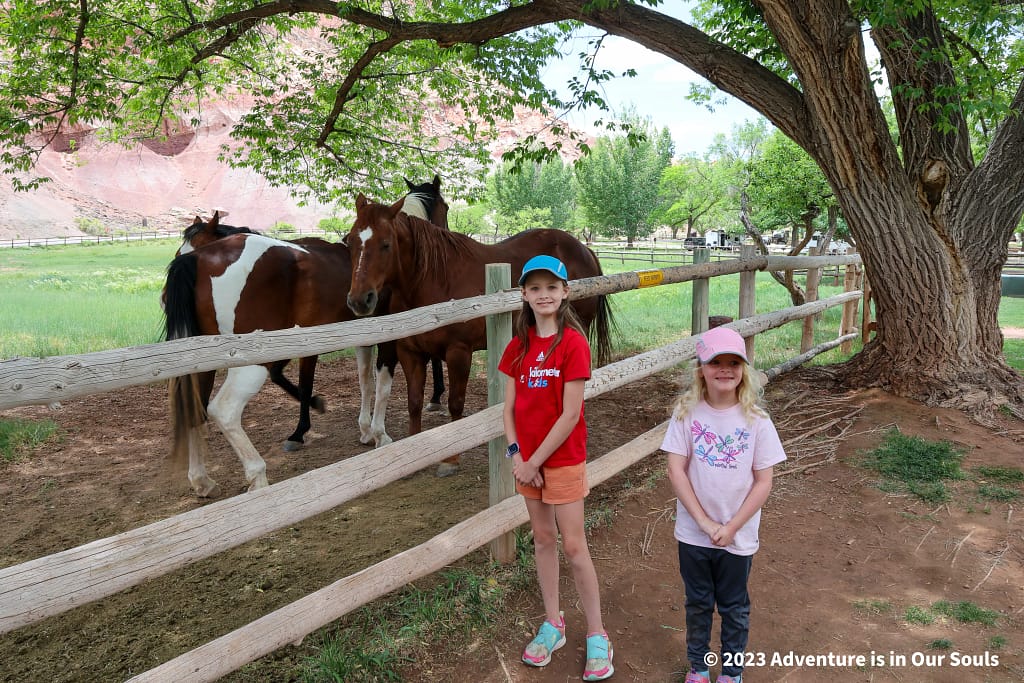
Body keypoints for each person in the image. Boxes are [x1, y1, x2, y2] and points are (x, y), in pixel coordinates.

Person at [498, 254, 614, 682]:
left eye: (551, 287)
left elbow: (569, 415)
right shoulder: (518, 347)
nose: (543, 295)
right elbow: (508, 409)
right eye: (534, 288)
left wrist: (534, 462)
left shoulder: (573, 345)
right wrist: (516, 456)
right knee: (543, 539)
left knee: (573, 546)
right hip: (526, 462)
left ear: (565, 292)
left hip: (560, 460)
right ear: (524, 296)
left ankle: (598, 633)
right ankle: (554, 623)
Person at [661, 326, 786, 683]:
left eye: (734, 362)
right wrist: (703, 523)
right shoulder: (686, 414)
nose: (725, 369)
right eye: (716, 362)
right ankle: (698, 667)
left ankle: (732, 672)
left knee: (734, 607)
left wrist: (730, 528)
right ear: (701, 368)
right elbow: (677, 471)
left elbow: (764, 481)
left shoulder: (757, 421)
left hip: (737, 535)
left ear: (744, 370)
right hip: (694, 534)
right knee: (698, 603)